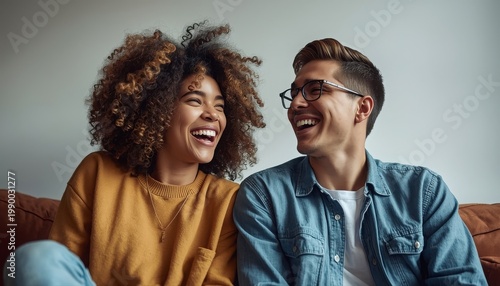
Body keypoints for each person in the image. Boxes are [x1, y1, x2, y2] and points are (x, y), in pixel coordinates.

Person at [4, 21, 265, 285]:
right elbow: (59, 265)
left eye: (220, 107)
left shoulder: (228, 200)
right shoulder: (98, 173)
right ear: (158, 110)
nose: (212, 114)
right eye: (195, 100)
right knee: (35, 258)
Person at [233, 38, 487, 285]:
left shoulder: (424, 191)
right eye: (295, 93)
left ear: (362, 108)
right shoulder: (264, 194)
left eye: (314, 89)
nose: (296, 104)